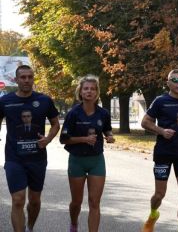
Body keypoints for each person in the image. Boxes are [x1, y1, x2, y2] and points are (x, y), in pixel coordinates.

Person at [0, 65, 60, 232]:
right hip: (14, 158)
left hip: (37, 159)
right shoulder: (5, 101)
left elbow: (56, 124)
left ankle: (30, 227)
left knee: (34, 201)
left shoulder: (44, 100)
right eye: (23, 77)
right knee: (18, 200)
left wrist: (47, 139)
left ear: (33, 79)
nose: (27, 80)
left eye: (30, 77)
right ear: (16, 79)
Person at [141, 69, 178, 232]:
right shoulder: (160, 101)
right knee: (160, 194)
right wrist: (161, 131)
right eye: (175, 80)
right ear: (168, 83)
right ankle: (153, 214)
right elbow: (145, 122)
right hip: (163, 152)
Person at [60, 75, 115, 232]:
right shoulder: (73, 114)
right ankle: (74, 223)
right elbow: (63, 139)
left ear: (97, 92)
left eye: (93, 89)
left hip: (96, 161)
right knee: (76, 202)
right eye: (86, 88)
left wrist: (109, 136)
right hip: (77, 160)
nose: (89, 91)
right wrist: (84, 139)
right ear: (81, 92)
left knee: (94, 202)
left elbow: (106, 128)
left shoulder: (103, 113)